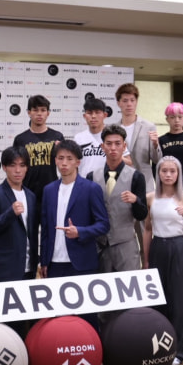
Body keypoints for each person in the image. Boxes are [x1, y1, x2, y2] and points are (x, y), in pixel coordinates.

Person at [39, 139, 109, 330]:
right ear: (55, 160)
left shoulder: (90, 188)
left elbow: (103, 224)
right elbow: (46, 228)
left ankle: (92, 347)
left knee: (86, 316)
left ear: (78, 162)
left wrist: (81, 232)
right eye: (60, 158)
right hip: (54, 263)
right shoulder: (49, 190)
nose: (64, 163)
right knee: (57, 316)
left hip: (82, 262)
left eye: (69, 159)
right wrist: (44, 260)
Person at [142, 156, 183, 365]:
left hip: (179, 247)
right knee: (158, 301)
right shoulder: (150, 198)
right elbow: (148, 229)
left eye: (172, 171)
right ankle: (158, 347)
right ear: (158, 173)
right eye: (164, 171)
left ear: (178, 174)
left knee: (179, 300)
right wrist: (146, 259)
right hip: (158, 246)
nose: (168, 175)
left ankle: (177, 350)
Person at [0, 146, 39, 338]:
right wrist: (9, 213)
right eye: (13, 165)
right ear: (5, 167)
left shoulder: (31, 196)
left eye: (22, 165)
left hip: (28, 269)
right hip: (6, 271)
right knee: (5, 327)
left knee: (26, 323)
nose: (18, 170)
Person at [93, 124, 148, 273]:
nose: (113, 148)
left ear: (124, 146)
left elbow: (142, 214)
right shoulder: (92, 176)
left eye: (117, 144)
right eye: (109, 144)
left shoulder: (136, 177)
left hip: (126, 245)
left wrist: (136, 201)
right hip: (100, 246)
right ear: (102, 147)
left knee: (130, 285)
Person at [12, 95, 64, 216]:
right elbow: (15, 167)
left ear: (48, 113)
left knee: (51, 227)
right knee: (29, 228)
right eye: (35, 110)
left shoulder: (57, 137)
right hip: (27, 192)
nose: (39, 114)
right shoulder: (20, 139)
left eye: (43, 110)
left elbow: (64, 164)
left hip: (52, 192)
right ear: (29, 112)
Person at [115, 83, 161, 192]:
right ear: (118, 103)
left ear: (136, 102)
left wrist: (155, 145)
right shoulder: (114, 129)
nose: (129, 104)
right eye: (125, 101)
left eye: (132, 100)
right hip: (120, 183)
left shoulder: (148, 126)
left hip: (144, 183)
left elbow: (157, 160)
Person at [74, 97, 109, 179]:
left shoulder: (112, 136)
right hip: (84, 182)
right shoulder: (78, 138)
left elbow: (128, 162)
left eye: (97, 112)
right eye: (89, 113)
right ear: (84, 116)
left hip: (107, 182)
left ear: (105, 115)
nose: (93, 116)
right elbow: (74, 164)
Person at [157, 102, 183, 176]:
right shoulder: (161, 140)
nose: (177, 120)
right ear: (167, 119)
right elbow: (157, 164)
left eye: (180, 117)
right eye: (172, 117)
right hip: (168, 179)